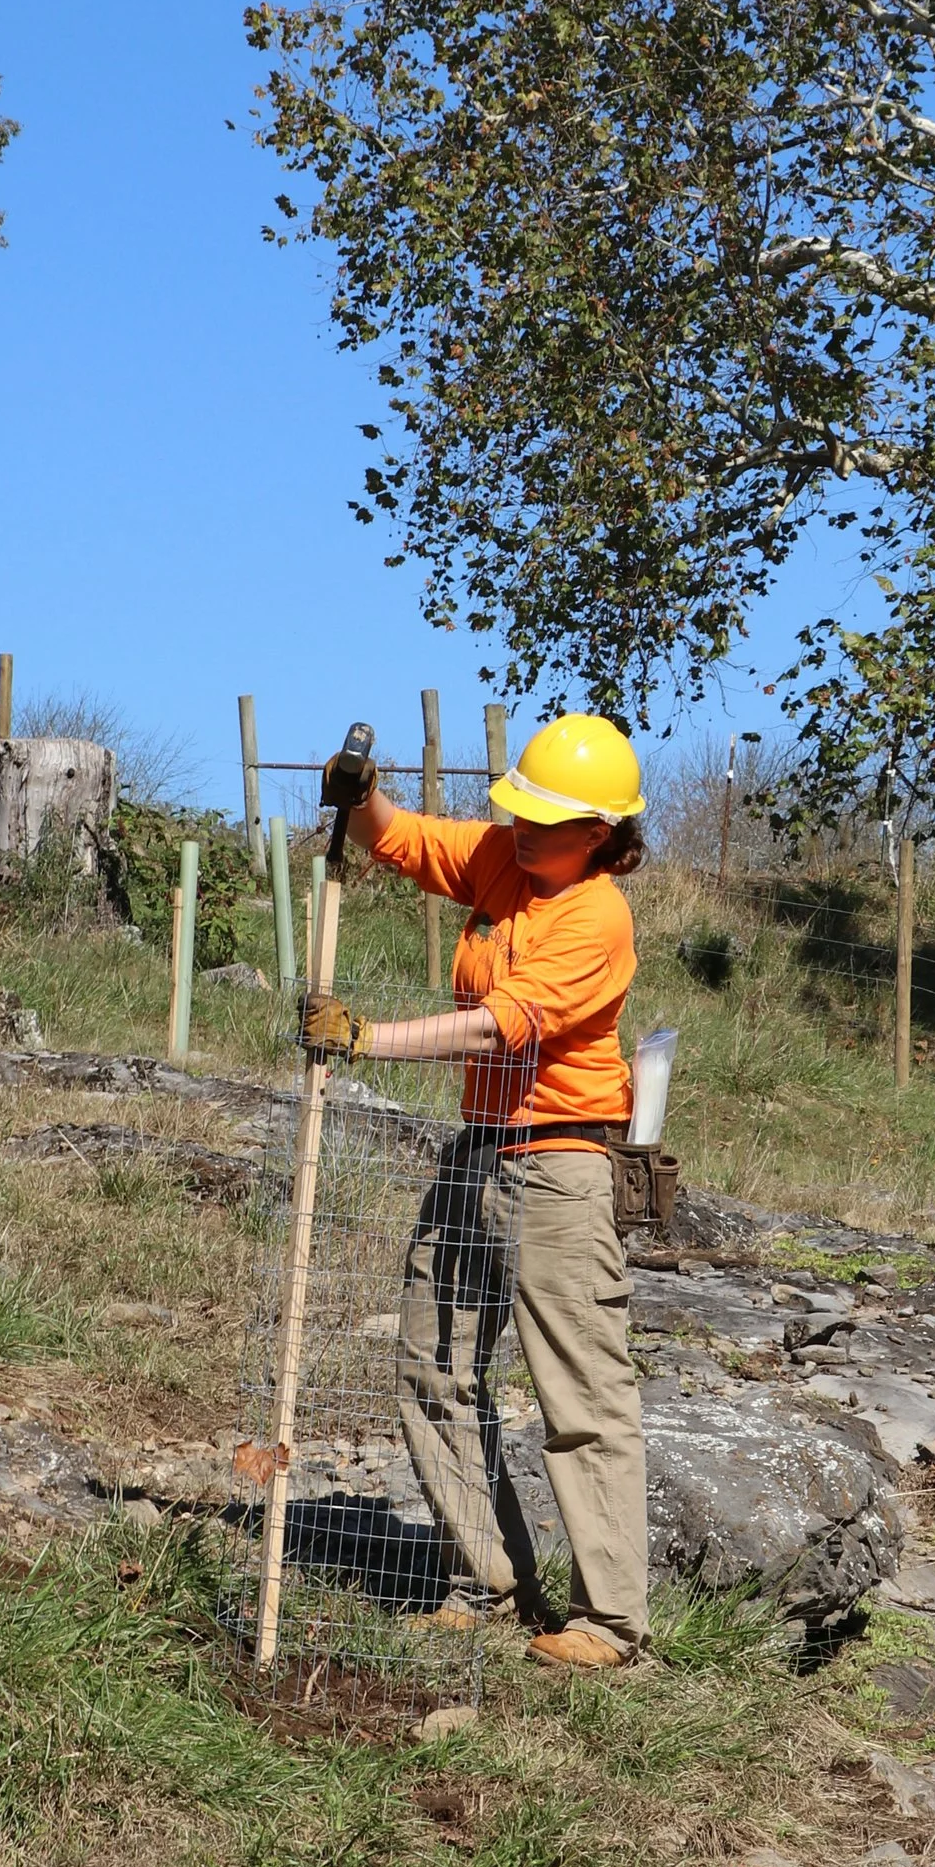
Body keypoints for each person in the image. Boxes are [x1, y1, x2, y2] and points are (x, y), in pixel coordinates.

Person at [301, 713, 650, 1670]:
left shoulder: (596, 916)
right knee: (434, 1362)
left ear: (602, 834)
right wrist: (360, 795)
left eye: (547, 819)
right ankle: (484, 1580)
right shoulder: (502, 858)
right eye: (519, 810)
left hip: (561, 1166)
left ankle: (611, 1622)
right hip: (480, 1153)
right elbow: (403, 840)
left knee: (580, 1396)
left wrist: (367, 1040)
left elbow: (502, 1029)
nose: (524, 830)